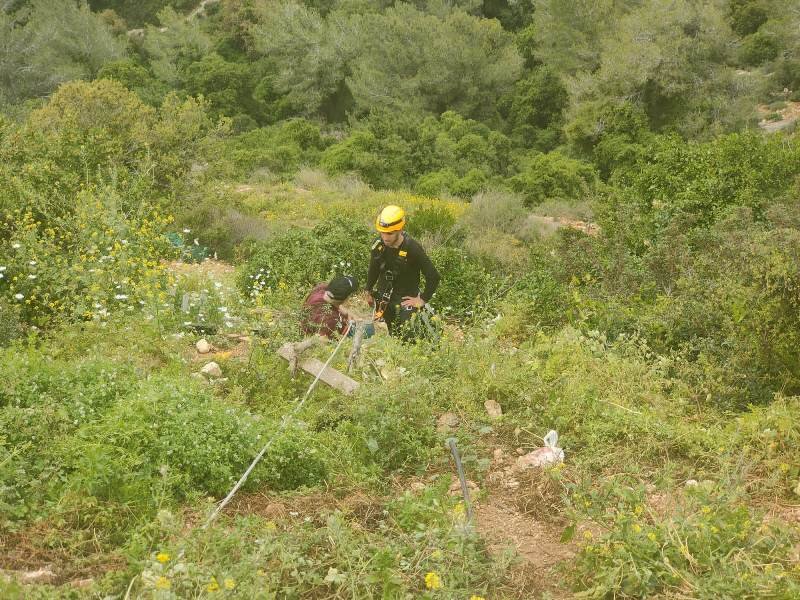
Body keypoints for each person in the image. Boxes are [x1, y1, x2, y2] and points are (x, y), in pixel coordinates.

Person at [366, 205, 441, 340]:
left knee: (407, 334)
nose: (385, 237)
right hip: (384, 297)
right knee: (392, 331)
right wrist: (368, 290)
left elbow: (433, 276)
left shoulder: (412, 248)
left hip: (405, 299)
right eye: (382, 232)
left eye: (389, 233)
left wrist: (422, 299)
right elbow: (374, 268)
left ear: (400, 229)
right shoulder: (378, 244)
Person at [287, 275, 358, 375]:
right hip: (317, 334)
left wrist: (346, 313)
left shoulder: (321, 289)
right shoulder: (331, 319)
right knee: (368, 330)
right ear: (345, 299)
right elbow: (321, 339)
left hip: (307, 324)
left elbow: (335, 302)